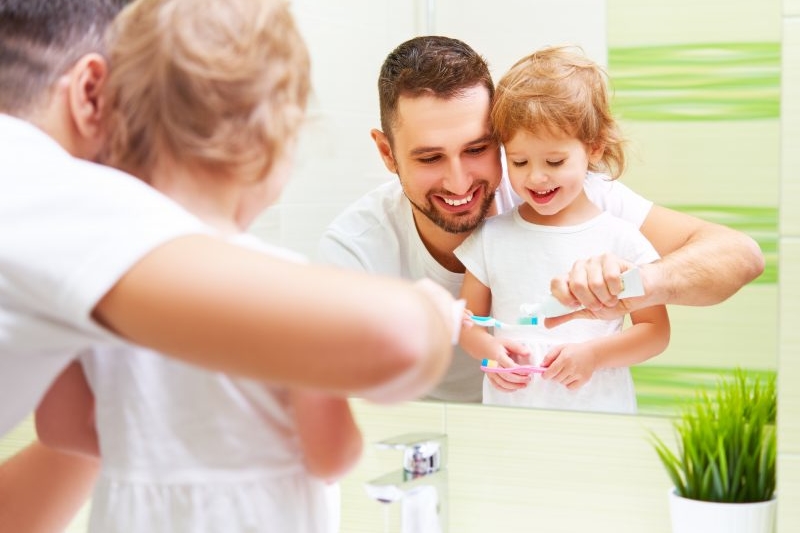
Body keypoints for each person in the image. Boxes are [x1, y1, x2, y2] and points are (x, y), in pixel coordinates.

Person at [0, 1, 457, 530]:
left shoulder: (92, 291)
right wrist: (431, 313)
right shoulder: (292, 297)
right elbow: (337, 446)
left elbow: (67, 433)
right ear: (273, 146)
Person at [316, 35, 763, 403]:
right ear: (386, 152)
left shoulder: (572, 198)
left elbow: (741, 256)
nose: (458, 182)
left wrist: (632, 284)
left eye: (478, 149)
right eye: (430, 157)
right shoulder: (355, 249)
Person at [456, 45, 670, 412]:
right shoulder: (491, 237)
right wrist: (489, 352)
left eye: (555, 161)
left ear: (594, 148)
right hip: (512, 423)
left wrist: (594, 356)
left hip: (598, 420)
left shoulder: (621, 239)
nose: (536, 177)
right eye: (519, 161)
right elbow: (466, 321)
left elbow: (655, 332)